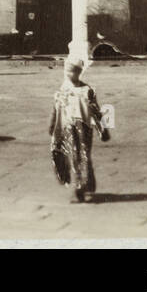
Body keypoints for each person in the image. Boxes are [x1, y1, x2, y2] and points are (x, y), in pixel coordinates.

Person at [49, 57, 109, 203]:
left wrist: (103, 129)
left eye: (72, 72)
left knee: (83, 156)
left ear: (79, 72)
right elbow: (56, 109)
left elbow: (96, 110)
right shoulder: (63, 89)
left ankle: (81, 187)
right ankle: (82, 185)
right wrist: (52, 125)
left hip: (83, 128)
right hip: (67, 127)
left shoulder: (86, 90)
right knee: (72, 156)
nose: (69, 74)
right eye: (67, 71)